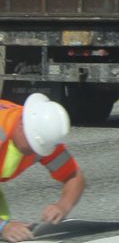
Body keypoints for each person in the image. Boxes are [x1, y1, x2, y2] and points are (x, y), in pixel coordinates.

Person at [0, 93, 85, 243]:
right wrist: (2, 226)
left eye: (40, 147)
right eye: (32, 143)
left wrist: (62, 206)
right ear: (21, 124)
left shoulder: (42, 136)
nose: (35, 151)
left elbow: (73, 176)